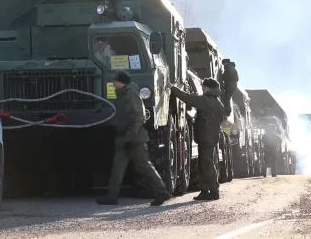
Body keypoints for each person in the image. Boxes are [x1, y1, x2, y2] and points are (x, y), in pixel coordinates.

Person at [96, 71, 170, 206]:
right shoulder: (124, 95)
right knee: (117, 168)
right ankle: (112, 196)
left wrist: (130, 137)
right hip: (124, 138)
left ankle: (162, 191)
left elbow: (138, 117)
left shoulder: (131, 95)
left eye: (115, 81)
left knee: (144, 167)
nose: (113, 83)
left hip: (133, 139)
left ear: (121, 82)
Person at [169, 77, 225, 201]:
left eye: (204, 87)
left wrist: (172, 88)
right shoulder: (217, 103)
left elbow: (188, 98)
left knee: (207, 164)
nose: (203, 89)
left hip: (207, 137)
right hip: (208, 136)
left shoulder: (207, 101)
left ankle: (214, 191)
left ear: (208, 88)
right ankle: (205, 191)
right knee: (203, 164)